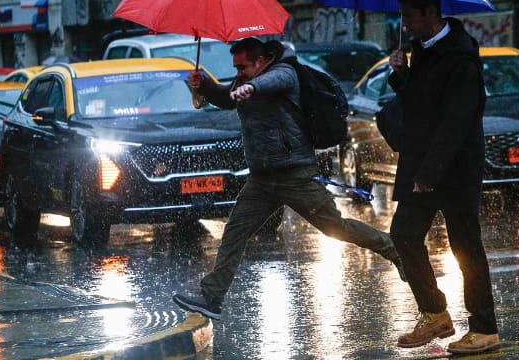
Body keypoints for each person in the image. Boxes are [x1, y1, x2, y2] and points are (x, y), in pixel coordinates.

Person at [173, 37, 405, 319]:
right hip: (261, 179)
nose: (238, 73)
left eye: (243, 67)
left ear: (261, 62)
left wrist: (252, 86)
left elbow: (273, 82)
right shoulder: (243, 80)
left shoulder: (285, 72)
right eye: (236, 68)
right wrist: (203, 86)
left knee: (335, 228)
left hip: (295, 175)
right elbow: (226, 98)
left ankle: (394, 249)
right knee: (235, 232)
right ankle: (212, 298)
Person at [387, 0, 500, 354]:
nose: (405, 24)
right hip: (423, 162)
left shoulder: (459, 57)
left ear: (431, 13)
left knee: (465, 246)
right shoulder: (422, 50)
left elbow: (456, 121)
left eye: (410, 16)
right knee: (403, 234)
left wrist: (431, 172)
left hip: (454, 167)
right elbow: (420, 105)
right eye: (402, 16)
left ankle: (484, 328)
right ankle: (435, 312)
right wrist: (401, 75)